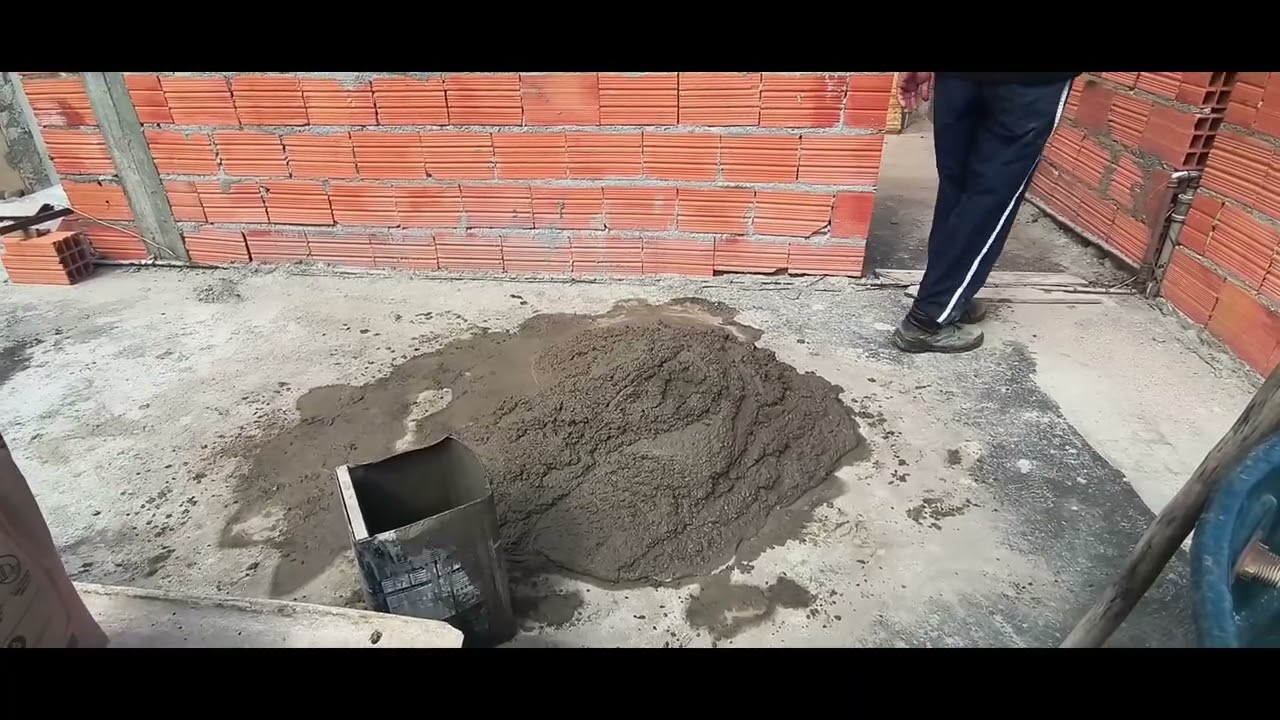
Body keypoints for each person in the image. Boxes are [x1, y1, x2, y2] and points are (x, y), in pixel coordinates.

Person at [892, 71, 1082, 353]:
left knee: (957, 186)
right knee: (992, 194)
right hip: (1030, 85)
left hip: (957, 78)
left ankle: (951, 292)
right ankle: (928, 318)